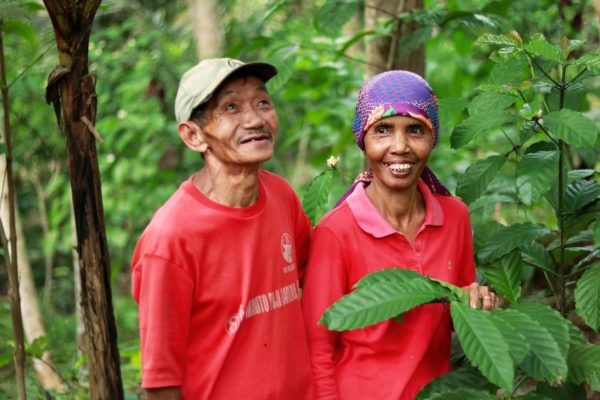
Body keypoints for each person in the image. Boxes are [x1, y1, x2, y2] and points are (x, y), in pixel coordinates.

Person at [301, 70, 499, 400]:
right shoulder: (336, 232)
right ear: (363, 138)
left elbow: (457, 313)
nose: (400, 146)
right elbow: (317, 351)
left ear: (432, 138)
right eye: (383, 130)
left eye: (415, 130)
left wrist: (482, 300)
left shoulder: (455, 217)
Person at [131, 58, 313, 399]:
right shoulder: (170, 240)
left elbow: (315, 280)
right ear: (193, 135)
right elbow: (161, 384)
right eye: (231, 107)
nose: (256, 120)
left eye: (263, 102)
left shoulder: (281, 195)